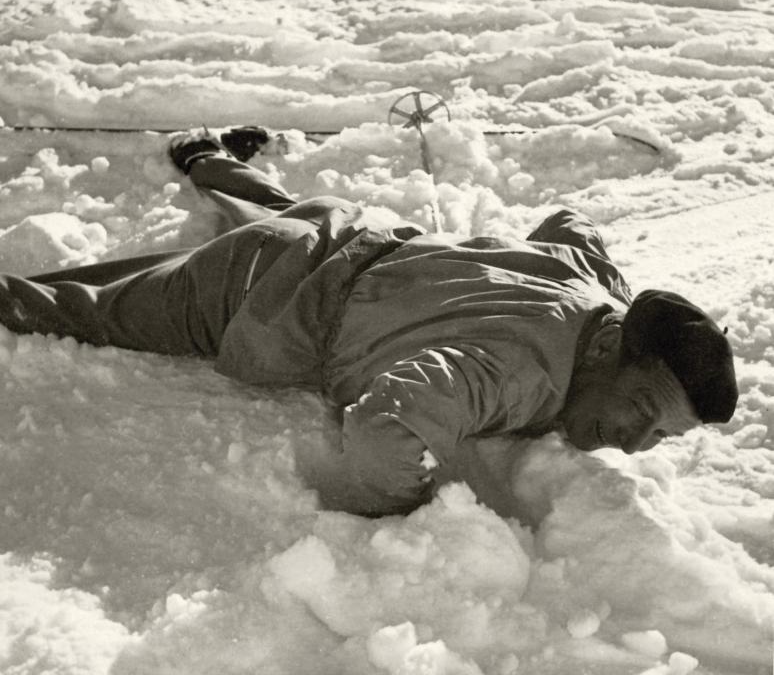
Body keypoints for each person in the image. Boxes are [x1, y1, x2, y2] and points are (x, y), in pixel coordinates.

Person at [0, 127, 738, 515]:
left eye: (660, 436)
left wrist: (606, 293)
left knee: (280, 213)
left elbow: (572, 224)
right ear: (610, 352)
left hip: (345, 231)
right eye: (641, 411)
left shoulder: (597, 291)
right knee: (77, 307)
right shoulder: (521, 372)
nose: (634, 444)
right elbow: (391, 424)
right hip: (256, 290)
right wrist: (407, 512)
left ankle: (209, 160)